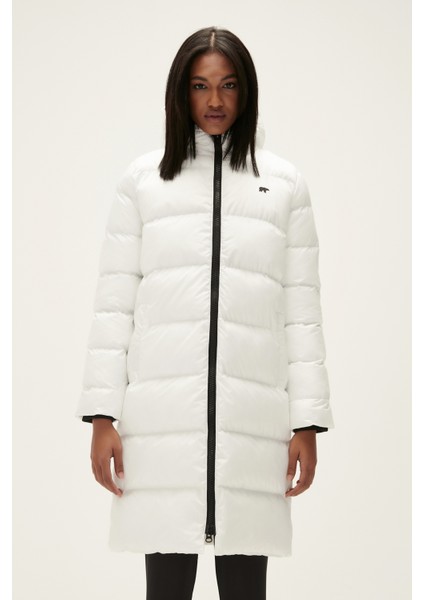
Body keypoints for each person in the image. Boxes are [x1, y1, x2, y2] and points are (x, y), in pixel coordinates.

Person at [75, 25, 335, 600]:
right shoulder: (144, 182)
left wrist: (306, 423)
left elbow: (302, 311)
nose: (215, 100)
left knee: (246, 587)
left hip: (252, 424)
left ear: (246, 91)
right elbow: (114, 305)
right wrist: (102, 416)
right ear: (181, 92)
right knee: (166, 587)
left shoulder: (283, 185)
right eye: (200, 86)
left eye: (228, 85)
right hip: (161, 423)